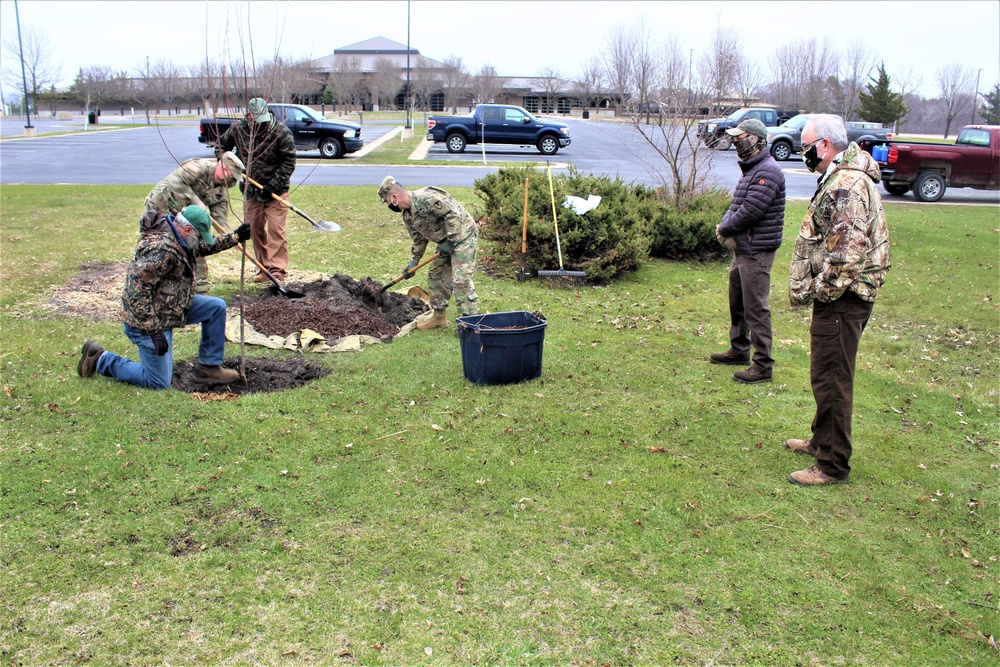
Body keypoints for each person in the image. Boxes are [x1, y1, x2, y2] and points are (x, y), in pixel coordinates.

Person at [785, 114, 891, 486]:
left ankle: (831, 464)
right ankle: (820, 441)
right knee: (826, 371)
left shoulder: (845, 185)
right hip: (843, 296)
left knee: (831, 376)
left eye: (806, 147)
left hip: (843, 298)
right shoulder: (843, 177)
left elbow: (848, 255)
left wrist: (821, 292)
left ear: (825, 146)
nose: (804, 154)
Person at [77, 205, 252, 389]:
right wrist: (153, 330)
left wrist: (235, 237)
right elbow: (135, 293)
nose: (201, 241)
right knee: (158, 382)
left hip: (170, 307)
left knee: (215, 307)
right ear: (188, 230)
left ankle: (209, 368)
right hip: (146, 322)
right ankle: (101, 360)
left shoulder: (181, 238)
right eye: (199, 235)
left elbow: (202, 246)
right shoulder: (160, 249)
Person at [712, 118, 786, 384]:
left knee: (756, 307)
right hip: (743, 249)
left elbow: (750, 211)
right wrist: (724, 225)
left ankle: (763, 365)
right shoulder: (751, 170)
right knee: (738, 303)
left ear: (755, 140)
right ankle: (739, 349)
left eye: (740, 137)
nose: (735, 142)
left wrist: (725, 229)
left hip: (756, 250)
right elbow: (735, 205)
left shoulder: (768, 171)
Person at [377, 175, 479, 330]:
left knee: (461, 281)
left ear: (394, 197)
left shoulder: (426, 198)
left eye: (388, 201)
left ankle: (470, 324)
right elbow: (419, 241)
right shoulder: (407, 215)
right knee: (436, 275)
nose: (389, 206)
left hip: (464, 235)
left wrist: (451, 241)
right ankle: (439, 318)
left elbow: (452, 214)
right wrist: (413, 262)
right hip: (446, 241)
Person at [216, 97, 296, 284]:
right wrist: (227, 162)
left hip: (276, 190)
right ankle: (264, 268)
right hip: (251, 190)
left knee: (277, 230)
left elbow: (289, 162)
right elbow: (221, 147)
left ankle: (277, 271)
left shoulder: (281, 133)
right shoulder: (238, 129)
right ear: (249, 116)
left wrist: (273, 185)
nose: (260, 126)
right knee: (255, 229)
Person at [144, 152, 244, 293]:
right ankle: (152, 284)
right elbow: (175, 181)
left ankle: (200, 289)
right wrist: (196, 202)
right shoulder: (199, 167)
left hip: (187, 218)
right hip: (163, 207)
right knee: (161, 248)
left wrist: (232, 237)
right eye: (231, 175)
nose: (232, 181)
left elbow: (220, 219)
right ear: (222, 166)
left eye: (234, 178)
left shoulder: (221, 191)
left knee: (194, 244)